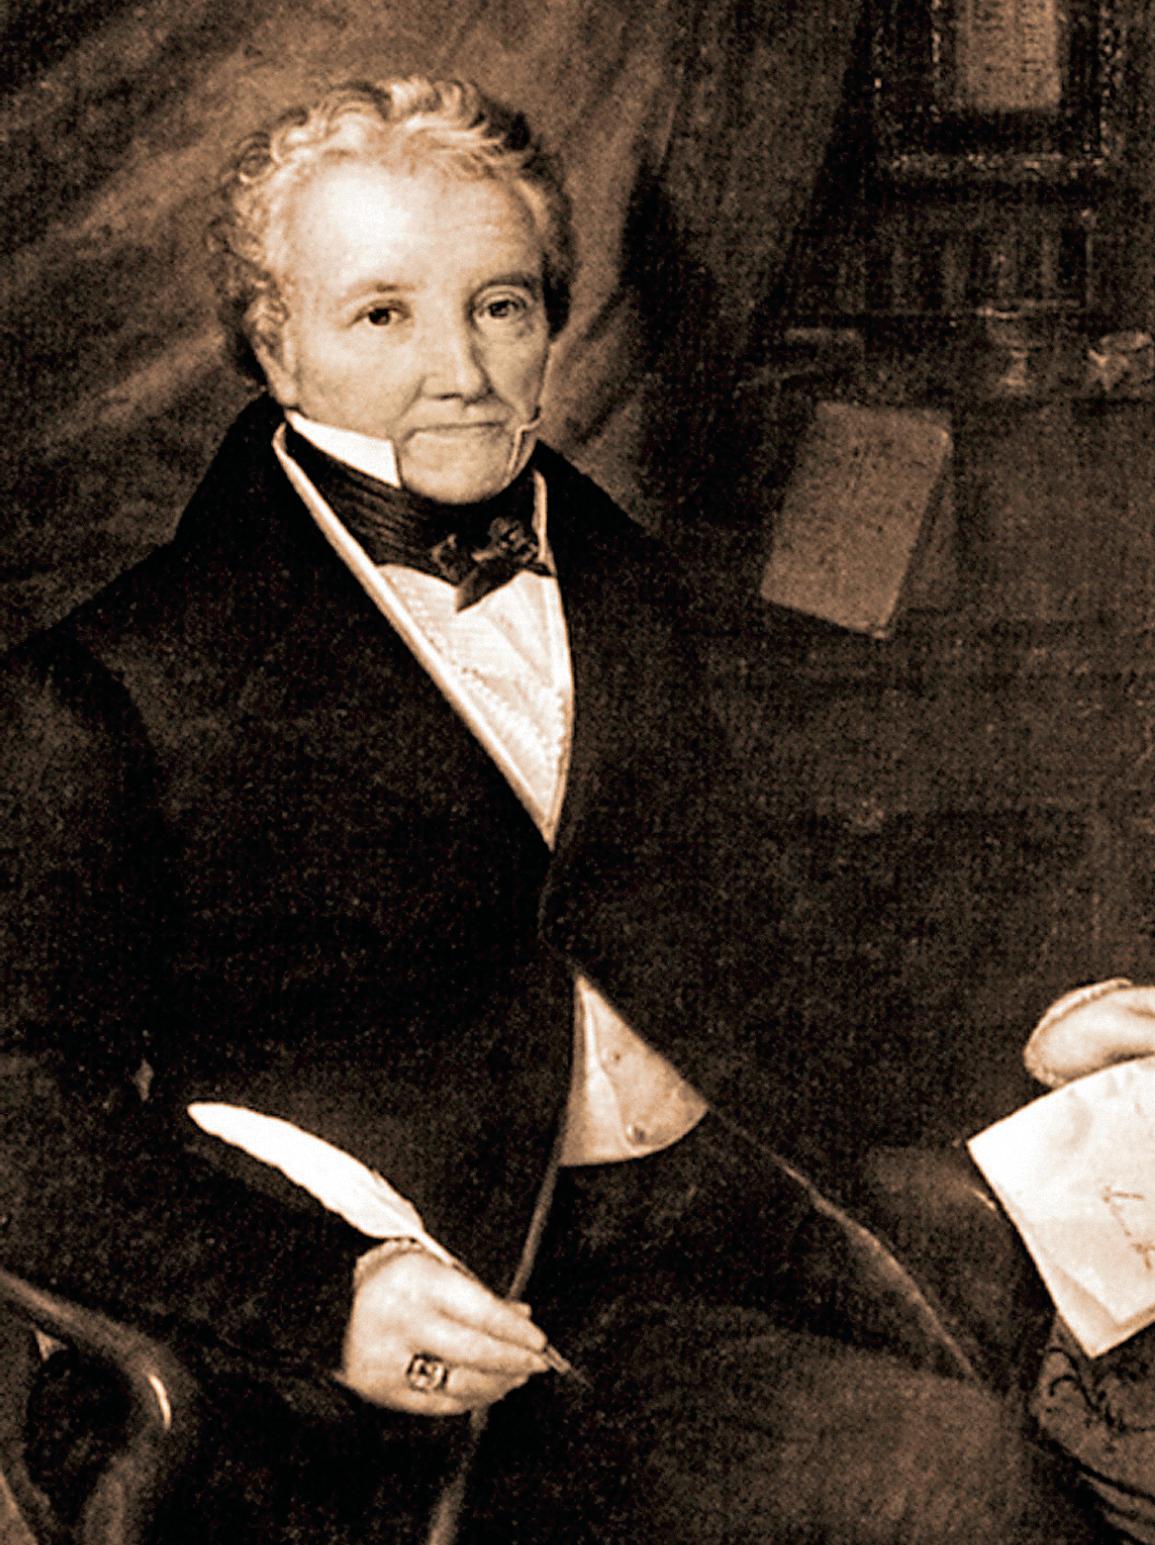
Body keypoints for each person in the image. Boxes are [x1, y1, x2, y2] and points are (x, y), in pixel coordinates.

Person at [0, 76, 1099, 1541]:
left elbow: (769, 915)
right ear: (273, 344)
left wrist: (1028, 1024)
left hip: (721, 1215)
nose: (459, 369)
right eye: (381, 315)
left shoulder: (619, 573)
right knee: (956, 1485)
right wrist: (320, 1296)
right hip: (411, 1335)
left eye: (501, 307)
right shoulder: (116, 684)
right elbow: (17, 1105)